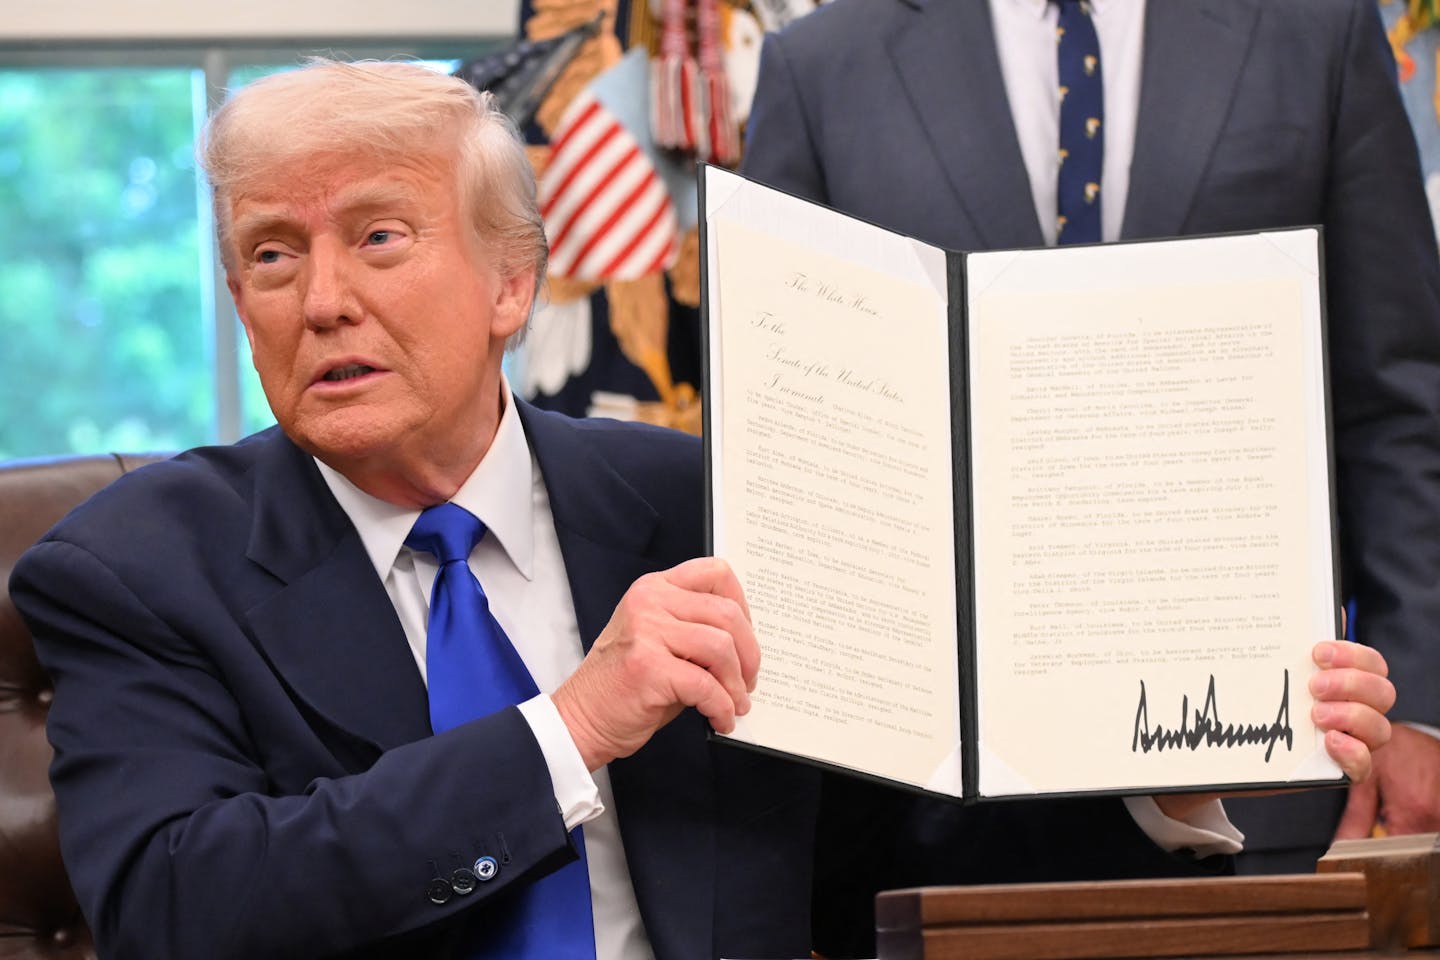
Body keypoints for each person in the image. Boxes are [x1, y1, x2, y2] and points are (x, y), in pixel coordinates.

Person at [10, 57, 1395, 960]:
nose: (321, 298)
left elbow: (898, 858)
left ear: (510, 286)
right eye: (271, 253)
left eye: (378, 236)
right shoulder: (133, 568)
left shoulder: (708, 508)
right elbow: (178, 905)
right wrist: (572, 728)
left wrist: (1166, 769)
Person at [740, 0, 1440, 892]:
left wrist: (1420, 707)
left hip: (1268, 793)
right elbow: (789, 433)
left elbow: (1395, 400)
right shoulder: (821, 63)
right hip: (927, 823)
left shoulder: (1315, 29)